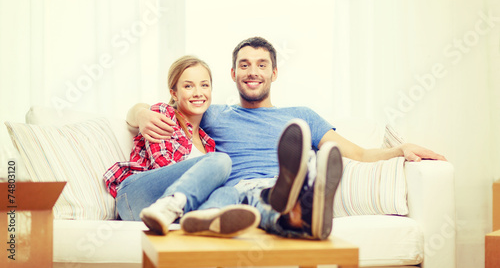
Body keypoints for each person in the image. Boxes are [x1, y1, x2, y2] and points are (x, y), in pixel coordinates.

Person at [127, 37, 446, 239]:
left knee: (268, 199)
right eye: (244, 65)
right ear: (233, 74)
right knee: (248, 197)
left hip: (272, 188)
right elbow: (168, 109)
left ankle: (299, 201)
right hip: (234, 191)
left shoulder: (301, 116)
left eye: (261, 64)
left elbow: (359, 154)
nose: (253, 71)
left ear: (274, 73)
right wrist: (140, 114)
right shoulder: (213, 112)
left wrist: (399, 149)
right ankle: (297, 212)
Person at [103, 55, 259, 236]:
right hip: (135, 196)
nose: (198, 92)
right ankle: (170, 205)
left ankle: (205, 217)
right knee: (221, 160)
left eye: (204, 85)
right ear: (174, 93)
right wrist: (140, 112)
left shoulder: (207, 142)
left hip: (170, 212)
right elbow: (161, 164)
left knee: (229, 192)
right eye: (188, 86)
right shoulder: (163, 114)